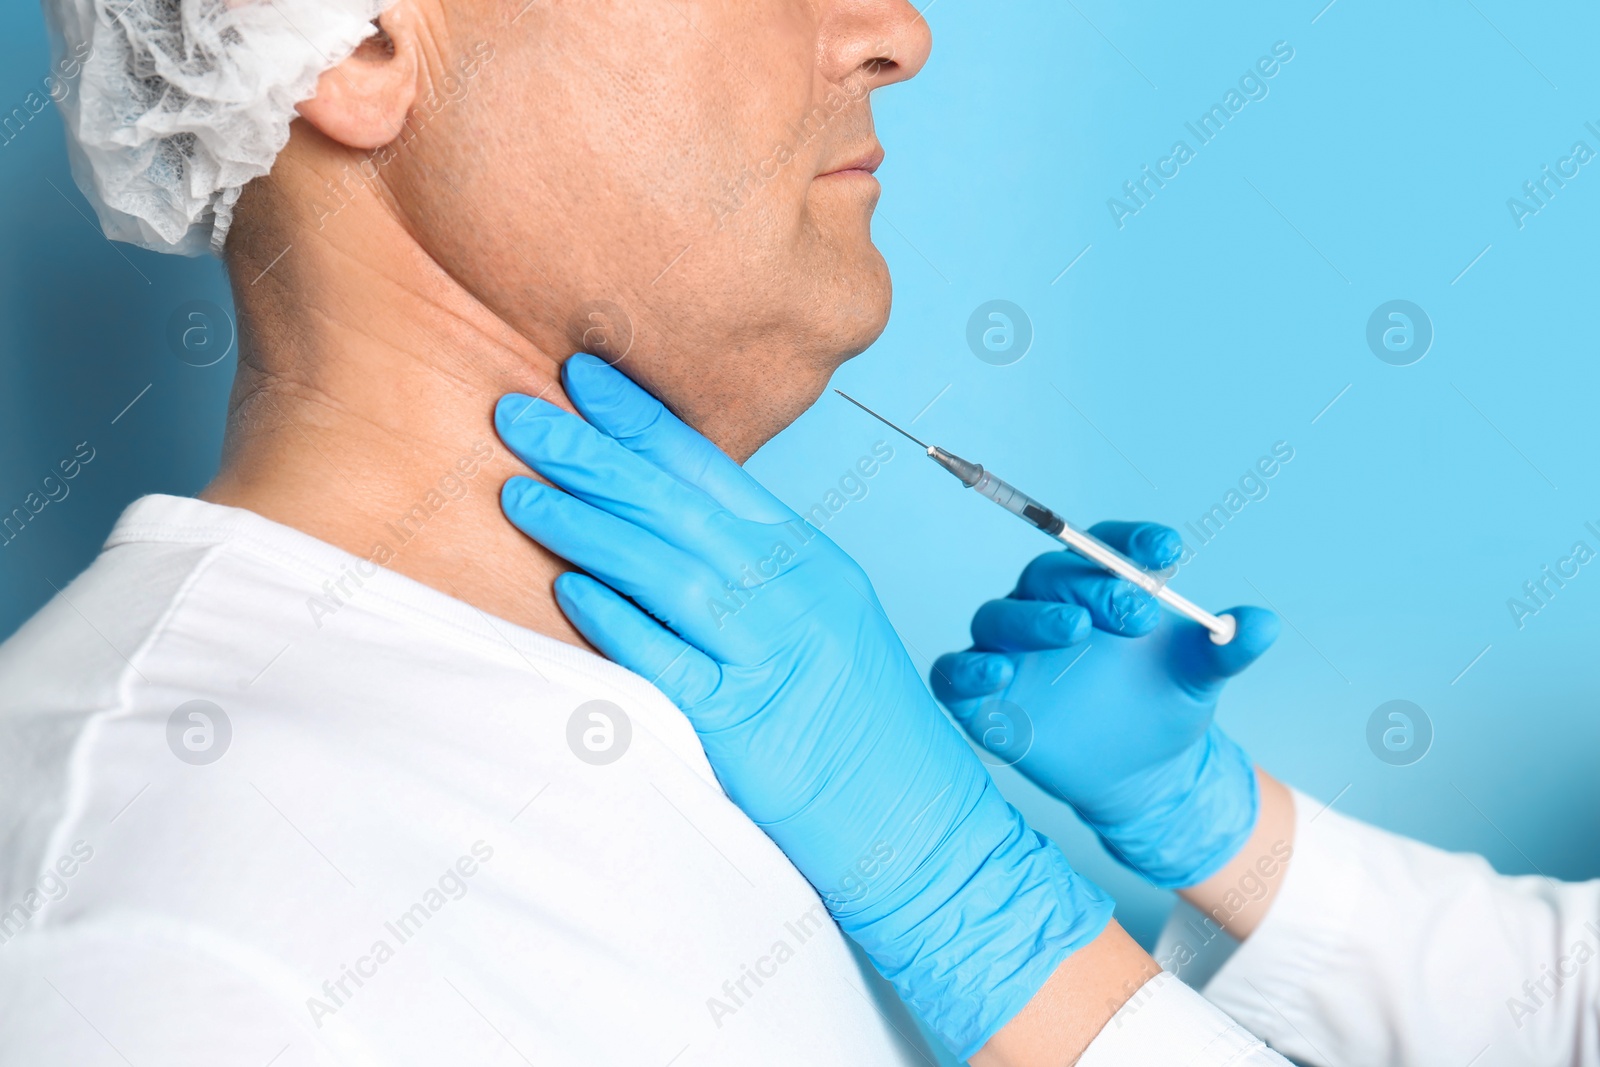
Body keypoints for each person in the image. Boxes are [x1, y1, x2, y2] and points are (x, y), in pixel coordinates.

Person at [2, 0, 1286, 1064]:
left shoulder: (762, 748)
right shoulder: (169, 927)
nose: (897, 33)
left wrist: (1183, 863)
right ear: (362, 42)